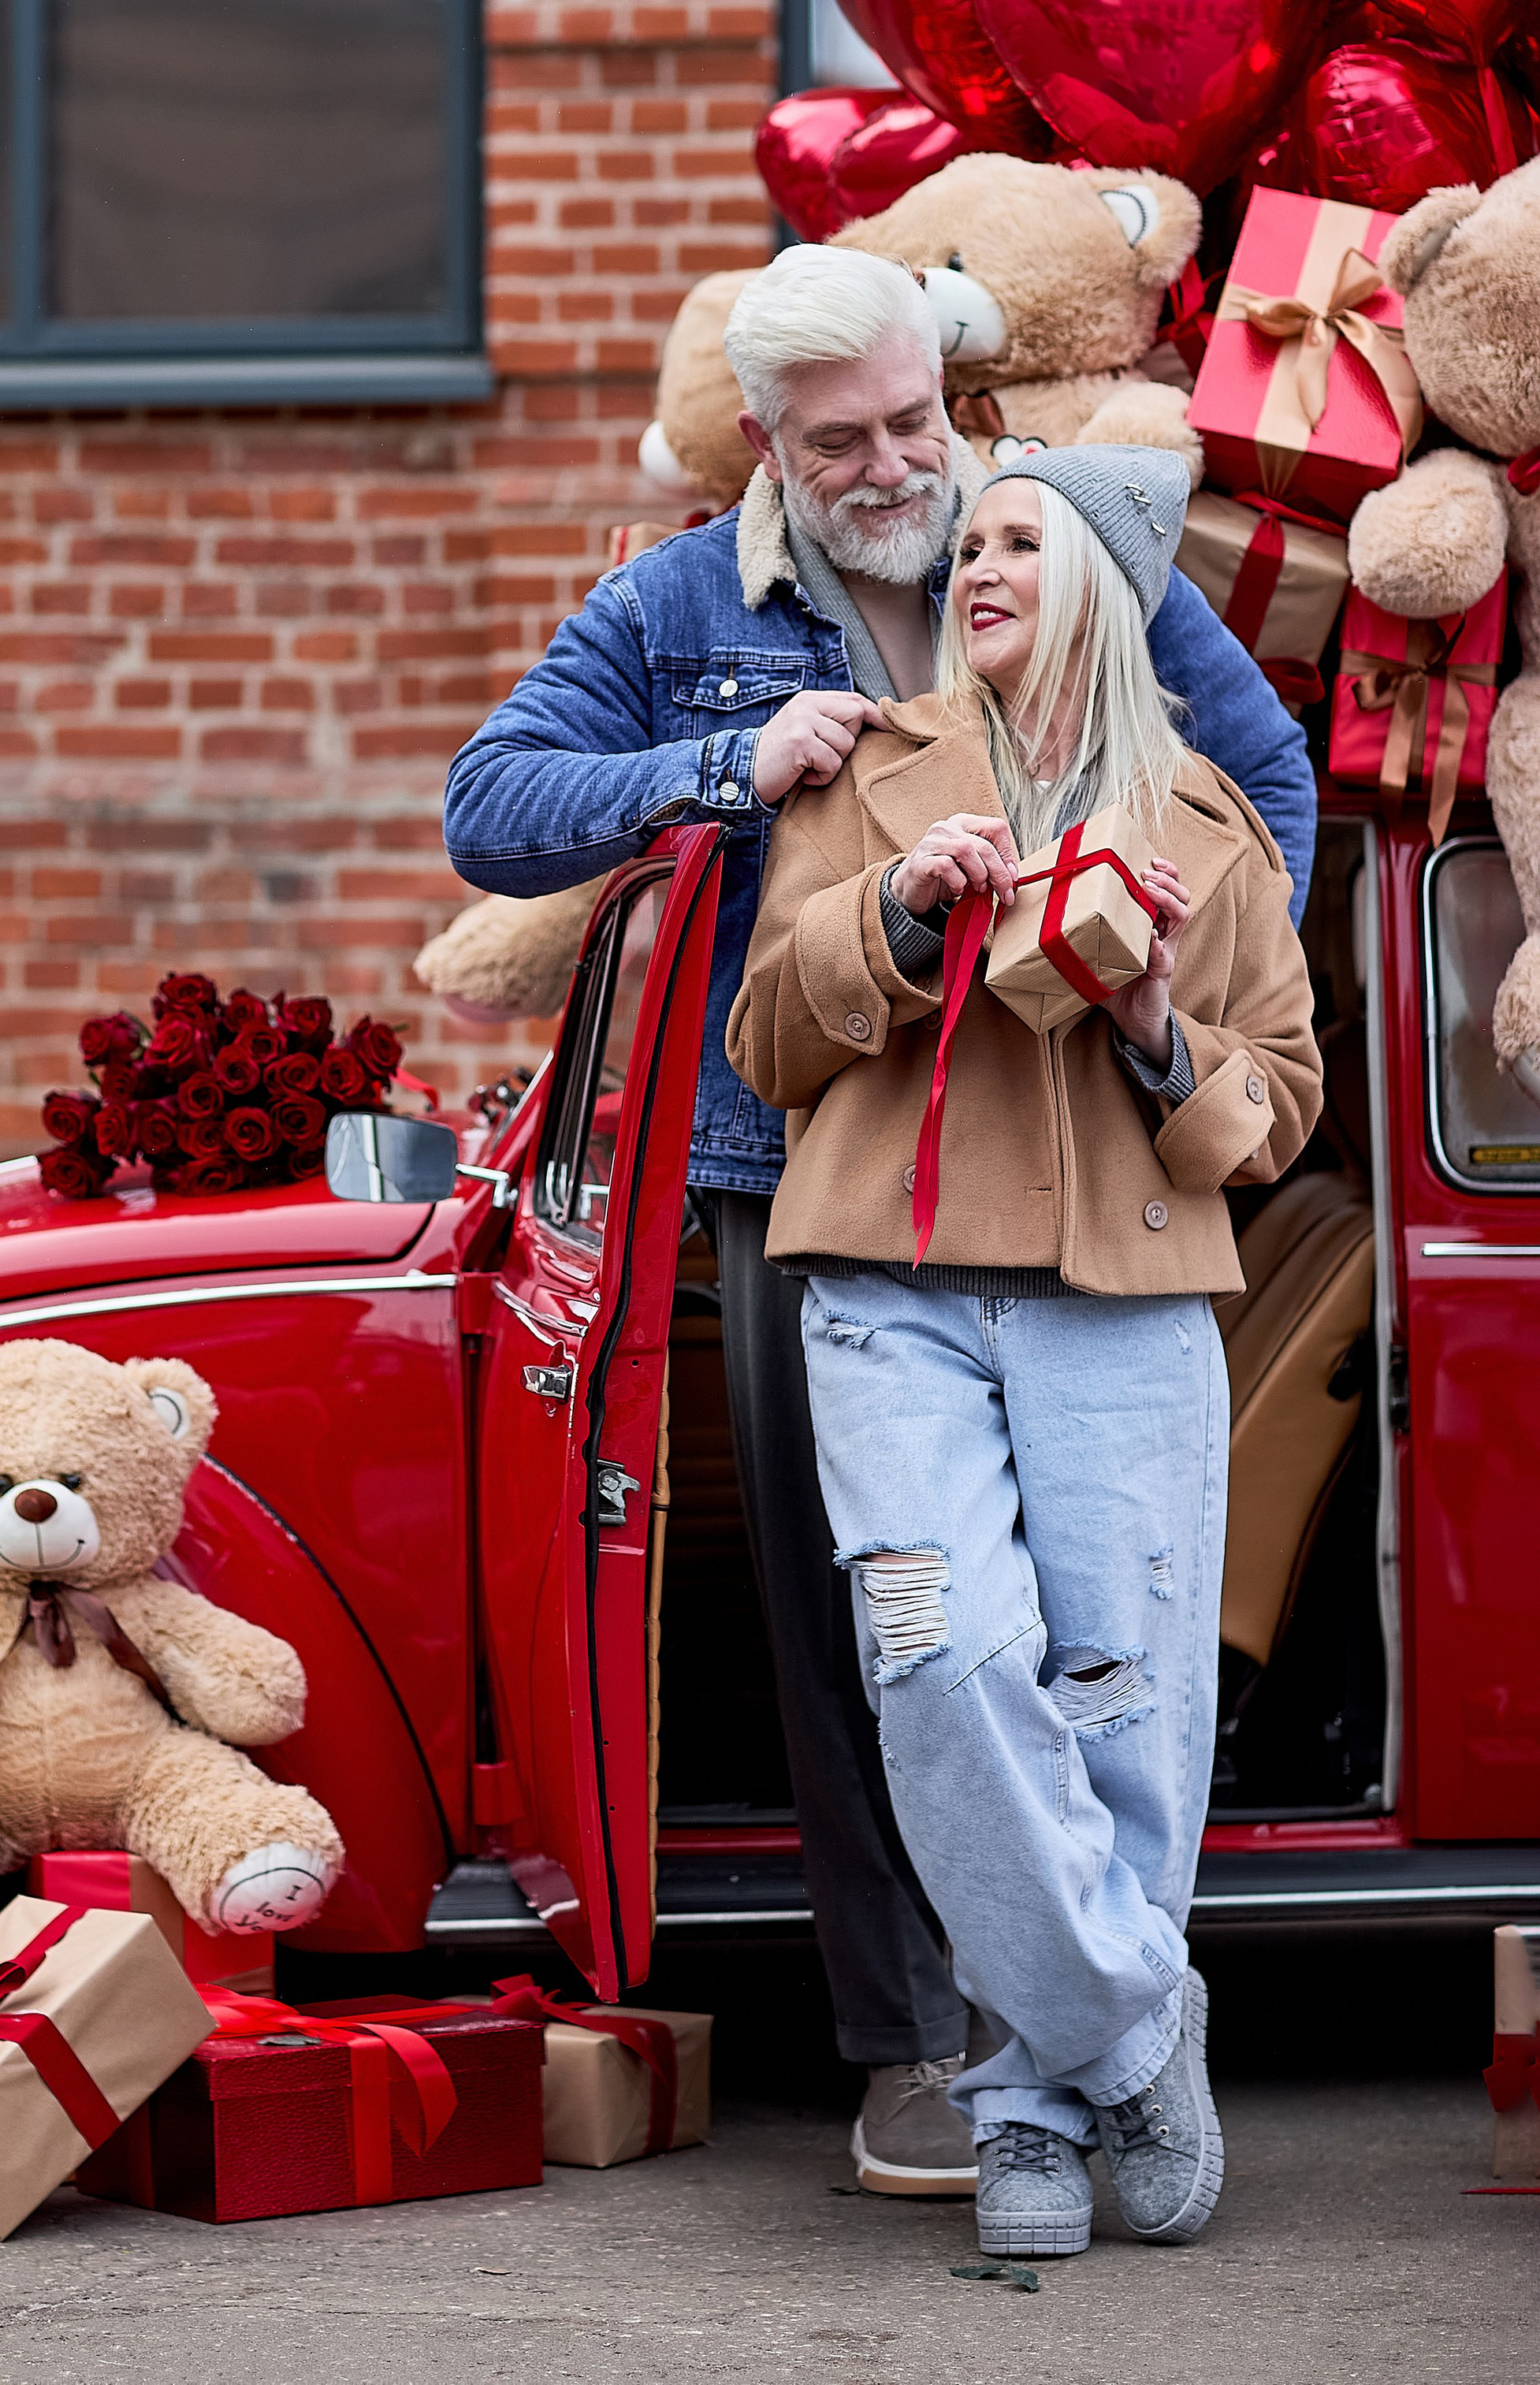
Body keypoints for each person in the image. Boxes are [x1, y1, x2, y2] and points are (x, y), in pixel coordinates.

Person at [441, 246, 1319, 2197]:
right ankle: (922, 2045)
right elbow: (491, 810)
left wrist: (1164, 967)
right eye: (840, 440)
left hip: (1093, 1177)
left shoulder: (1060, 545)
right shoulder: (681, 602)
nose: (892, 465)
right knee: (878, 1633)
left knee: (1109, 1639)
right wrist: (720, 768)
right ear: (766, 442)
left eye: (917, 420)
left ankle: (1058, 2040)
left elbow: (1254, 784)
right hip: (801, 1164)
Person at [726, 441, 1322, 2257]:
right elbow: (764, 1044)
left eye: (1013, 539)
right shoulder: (870, 777)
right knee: (936, 1665)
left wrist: (1155, 1026)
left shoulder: (1210, 825)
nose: (971, 562)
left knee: (1122, 1702)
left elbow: (1276, 1110)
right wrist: (892, 915)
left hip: (1124, 1305)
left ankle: (1028, 2111)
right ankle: (1136, 2023)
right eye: (963, 541)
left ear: (1101, 583)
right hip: (890, 1287)